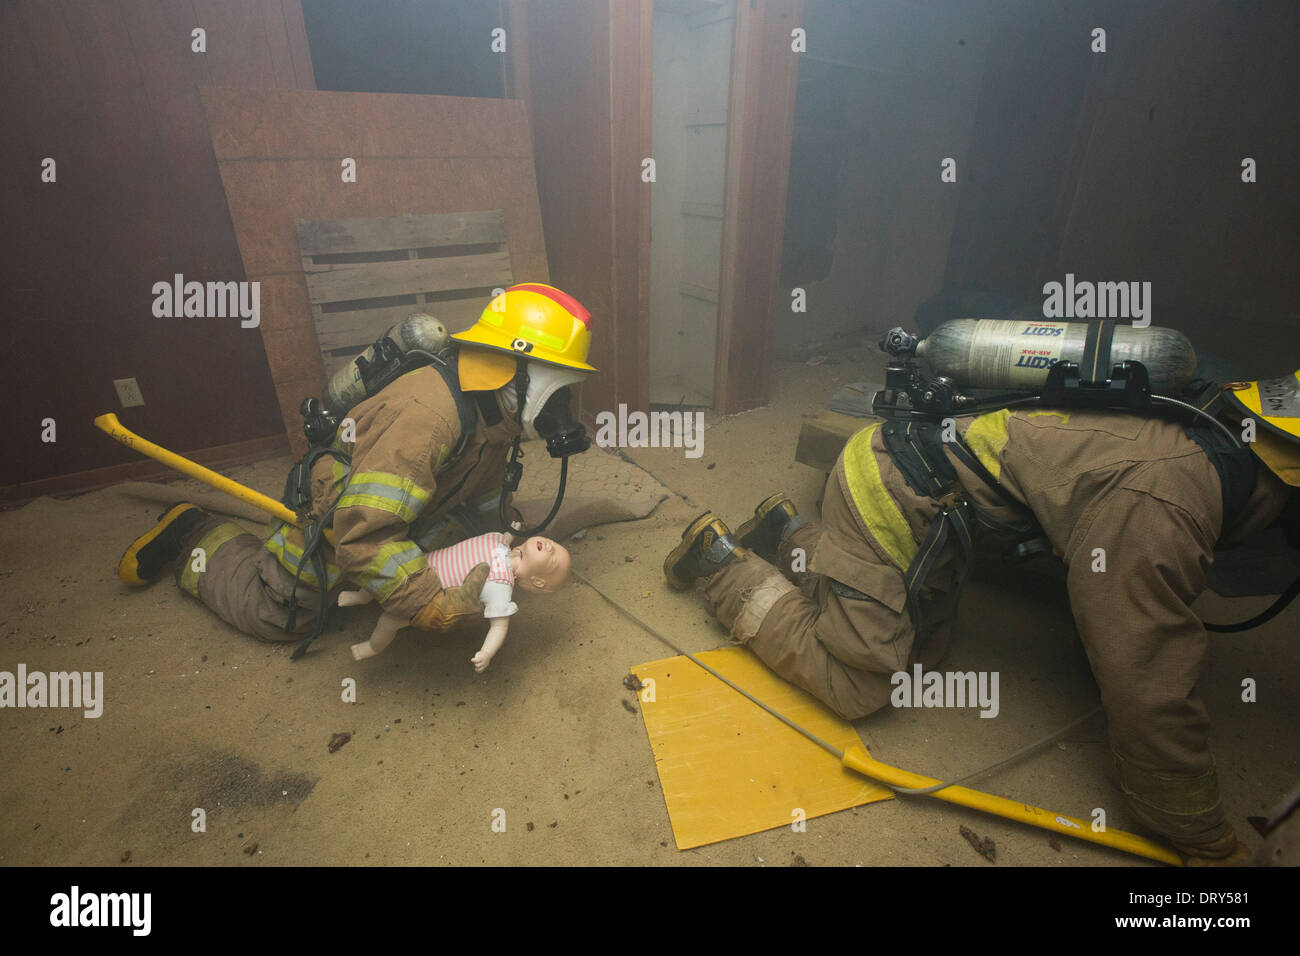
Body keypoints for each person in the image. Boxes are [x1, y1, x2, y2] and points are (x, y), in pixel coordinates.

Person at [664, 376, 1300, 864]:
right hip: (890, 490)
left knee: (922, 659)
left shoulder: (1200, 432)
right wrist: (1208, 841)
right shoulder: (1165, 500)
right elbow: (1147, 680)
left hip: (928, 498)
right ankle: (718, 561)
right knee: (860, 684)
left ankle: (788, 531)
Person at [117, 283, 595, 646]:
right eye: (559, 386)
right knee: (282, 615)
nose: (562, 407)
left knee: (412, 565)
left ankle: (391, 572)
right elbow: (360, 532)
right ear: (517, 364)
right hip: (338, 519)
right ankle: (191, 532)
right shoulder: (425, 421)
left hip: (415, 505)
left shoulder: (497, 411)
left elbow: (484, 489)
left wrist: (499, 543)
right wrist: (426, 601)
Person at [343, 530, 571, 667]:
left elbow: (499, 626)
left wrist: (487, 653)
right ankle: (362, 596)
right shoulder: (502, 542)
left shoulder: (501, 586)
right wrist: (512, 531)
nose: (551, 547)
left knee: (389, 620)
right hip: (419, 561)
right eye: (555, 545)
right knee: (382, 571)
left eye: (553, 558)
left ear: (538, 581)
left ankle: (374, 646)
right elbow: (501, 537)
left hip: (423, 597)